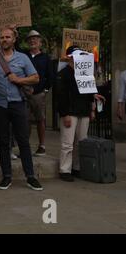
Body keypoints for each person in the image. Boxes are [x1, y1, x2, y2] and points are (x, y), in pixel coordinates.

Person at [0, 27, 43, 191]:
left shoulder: (23, 58)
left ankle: (30, 176)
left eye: (7, 37)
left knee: (23, 141)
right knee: (3, 142)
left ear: (14, 39)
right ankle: (6, 177)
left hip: (18, 103)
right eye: (2, 37)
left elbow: (35, 78)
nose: (4, 39)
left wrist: (18, 79)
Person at [57, 46, 105, 182]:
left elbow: (89, 93)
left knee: (81, 142)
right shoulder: (64, 73)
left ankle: (76, 168)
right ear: (69, 58)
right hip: (70, 112)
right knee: (67, 143)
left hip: (83, 112)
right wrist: (65, 114)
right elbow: (61, 96)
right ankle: (65, 169)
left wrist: (92, 109)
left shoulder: (85, 73)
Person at [26, 30, 54, 156]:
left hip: (38, 93)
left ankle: (42, 146)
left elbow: (51, 76)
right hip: (24, 93)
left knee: (40, 119)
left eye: (35, 39)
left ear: (40, 42)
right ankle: (24, 145)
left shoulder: (46, 58)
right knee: (24, 120)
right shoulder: (23, 55)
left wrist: (45, 89)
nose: (33, 41)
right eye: (30, 39)